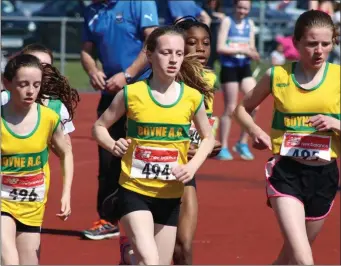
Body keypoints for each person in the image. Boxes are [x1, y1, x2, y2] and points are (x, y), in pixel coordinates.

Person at [92, 25, 215, 265]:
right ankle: (132, 249)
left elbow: (208, 138)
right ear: (149, 54)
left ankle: (128, 253)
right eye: (166, 52)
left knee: (152, 261)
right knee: (150, 260)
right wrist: (111, 144)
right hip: (134, 190)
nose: (173, 59)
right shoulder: (132, 94)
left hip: (169, 195)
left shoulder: (192, 97)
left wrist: (193, 167)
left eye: (179, 54)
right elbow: (98, 127)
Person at [233, 10, 340, 265]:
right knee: (304, 260)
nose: (319, 51)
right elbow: (240, 109)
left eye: (326, 44)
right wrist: (255, 131)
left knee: (290, 258)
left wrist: (336, 123)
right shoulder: (277, 76)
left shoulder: (338, 77)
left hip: (324, 177)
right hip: (286, 173)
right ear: (296, 43)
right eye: (312, 44)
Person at [80, 0, 159, 240]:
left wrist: (128, 75)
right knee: (108, 158)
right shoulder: (92, 10)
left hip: (144, 91)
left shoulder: (139, 3)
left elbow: (153, 42)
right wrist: (92, 69)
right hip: (111, 96)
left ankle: (157, 215)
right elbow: (85, 51)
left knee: (148, 153)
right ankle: (108, 219)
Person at [1, 54, 74, 265]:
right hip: (2, 202)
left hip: (32, 205)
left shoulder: (49, 119)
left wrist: (66, 193)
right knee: (9, 260)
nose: (31, 91)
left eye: (36, 84)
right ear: (7, 83)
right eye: (23, 84)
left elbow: (66, 152)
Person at [1, 43, 80, 144]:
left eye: (47, 67)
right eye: (34, 63)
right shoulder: (4, 98)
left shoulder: (57, 108)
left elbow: (66, 150)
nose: (41, 71)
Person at [216, 0, 260, 161]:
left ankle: (242, 142)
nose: (242, 11)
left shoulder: (250, 23)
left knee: (255, 104)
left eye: (246, 8)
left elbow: (252, 46)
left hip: (244, 67)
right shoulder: (227, 22)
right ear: (235, 7)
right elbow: (220, 47)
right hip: (229, 68)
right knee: (230, 107)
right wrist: (242, 50)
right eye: (240, 7)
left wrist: (254, 53)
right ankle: (223, 146)